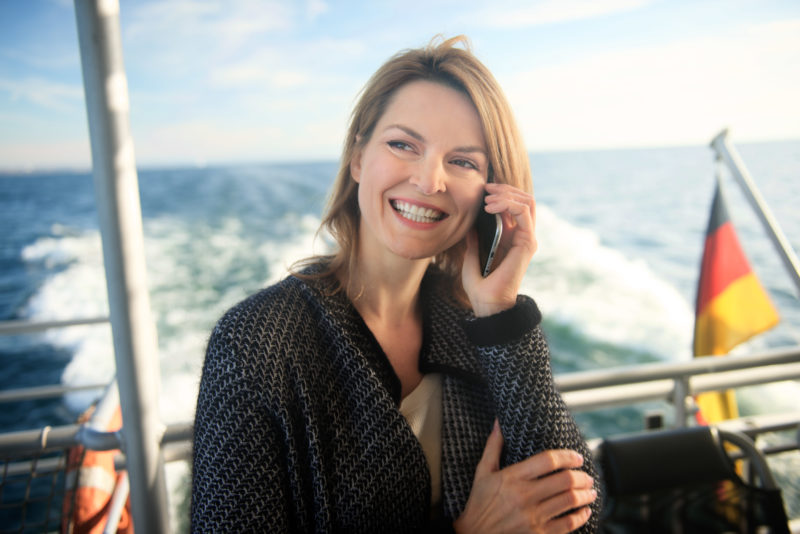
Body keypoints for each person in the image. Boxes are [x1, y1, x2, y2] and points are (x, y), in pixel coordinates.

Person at [191, 35, 601, 533]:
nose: (430, 181)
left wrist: (498, 312)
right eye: (403, 145)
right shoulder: (253, 344)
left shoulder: (484, 331)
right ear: (358, 158)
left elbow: (577, 514)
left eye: (464, 161)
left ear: (490, 194)